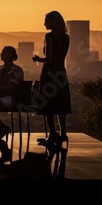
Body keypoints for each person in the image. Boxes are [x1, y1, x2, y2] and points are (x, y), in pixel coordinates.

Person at [32, 11, 71, 149]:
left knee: (48, 105)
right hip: (61, 72)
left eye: (46, 20)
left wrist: (37, 59)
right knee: (60, 104)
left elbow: (49, 59)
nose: (44, 23)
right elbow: (59, 57)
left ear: (53, 22)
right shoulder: (66, 37)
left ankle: (52, 134)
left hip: (49, 73)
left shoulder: (49, 36)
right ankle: (63, 133)